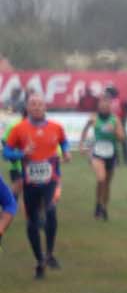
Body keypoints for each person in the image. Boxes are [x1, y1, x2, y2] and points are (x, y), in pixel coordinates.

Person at [4, 92, 68, 279]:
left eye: (40, 104)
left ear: (45, 107)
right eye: (33, 104)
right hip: (30, 182)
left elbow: (63, 142)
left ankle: (49, 253)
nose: (37, 107)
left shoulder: (56, 127)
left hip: (51, 180)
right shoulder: (19, 129)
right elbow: (7, 152)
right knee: (32, 222)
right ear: (27, 108)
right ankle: (39, 260)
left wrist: (66, 153)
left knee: (50, 211)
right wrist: (22, 154)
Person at [79, 86, 127, 220]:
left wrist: (115, 131)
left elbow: (122, 138)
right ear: (99, 105)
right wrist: (81, 145)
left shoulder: (115, 119)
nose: (104, 105)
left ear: (110, 105)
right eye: (102, 103)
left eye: (107, 103)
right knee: (101, 178)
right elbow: (84, 129)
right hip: (97, 152)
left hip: (111, 154)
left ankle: (103, 206)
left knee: (107, 184)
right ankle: (97, 204)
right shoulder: (93, 118)